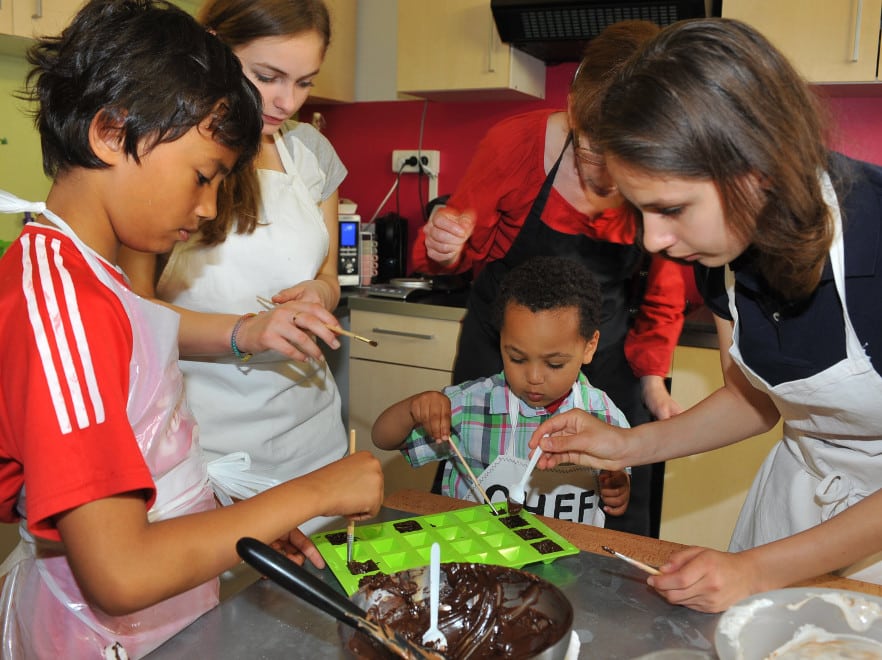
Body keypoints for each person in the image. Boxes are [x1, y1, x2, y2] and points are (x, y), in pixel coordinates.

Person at [0, 2, 382, 657]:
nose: (207, 207)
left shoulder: (97, 279)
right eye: (202, 177)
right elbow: (121, 573)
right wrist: (312, 492)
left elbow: (148, 447)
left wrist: (227, 517)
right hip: (98, 638)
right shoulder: (65, 307)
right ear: (110, 134)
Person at [531, 17, 882, 613]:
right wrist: (625, 446)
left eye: (670, 209)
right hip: (797, 503)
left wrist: (754, 570)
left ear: (755, 167)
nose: (653, 240)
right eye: (642, 211)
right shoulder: (720, 255)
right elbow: (755, 400)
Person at [412, 20, 687, 537]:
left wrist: (651, 379)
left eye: (622, 159)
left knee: (608, 503)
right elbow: (457, 247)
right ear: (572, 107)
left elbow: (665, 286)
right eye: (589, 151)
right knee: (481, 488)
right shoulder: (513, 143)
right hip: (502, 347)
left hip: (603, 356)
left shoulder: (664, 165)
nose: (604, 176)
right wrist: (444, 246)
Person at [118, 0, 350, 532]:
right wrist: (245, 332)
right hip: (212, 451)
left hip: (312, 440)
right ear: (216, 51)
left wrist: (319, 296)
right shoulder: (170, 153)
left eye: (305, 82)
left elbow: (328, 277)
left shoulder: (308, 152)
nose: (287, 101)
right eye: (267, 77)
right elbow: (132, 318)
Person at [373, 256, 631, 527]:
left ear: (589, 346)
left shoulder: (603, 415)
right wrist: (413, 409)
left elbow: (619, 480)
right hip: (474, 555)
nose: (533, 378)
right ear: (501, 341)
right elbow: (383, 437)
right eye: (517, 358)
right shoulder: (469, 406)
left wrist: (618, 486)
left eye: (554, 364)